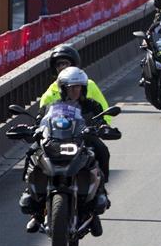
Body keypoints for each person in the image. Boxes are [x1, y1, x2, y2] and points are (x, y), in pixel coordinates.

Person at [29, 66, 118, 235]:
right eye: (71, 87)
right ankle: (34, 206)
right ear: (63, 88)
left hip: (83, 143)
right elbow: (40, 122)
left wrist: (103, 128)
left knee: (102, 150)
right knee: (32, 152)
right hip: (57, 142)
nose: (76, 90)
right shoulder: (52, 105)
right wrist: (32, 129)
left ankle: (100, 192)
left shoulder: (91, 105)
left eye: (78, 87)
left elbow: (101, 121)